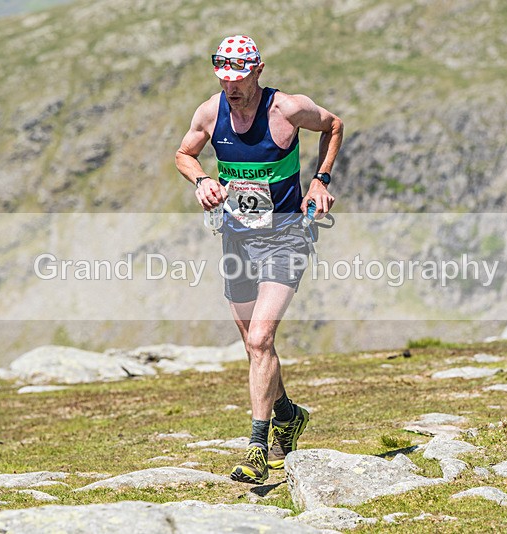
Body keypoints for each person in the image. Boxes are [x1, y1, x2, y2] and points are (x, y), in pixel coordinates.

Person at [175, 34, 343, 484]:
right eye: (224, 78)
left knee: (262, 338)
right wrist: (201, 181)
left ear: (258, 70)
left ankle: (257, 448)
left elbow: (334, 125)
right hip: (237, 239)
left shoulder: (288, 109)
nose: (231, 87)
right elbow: (183, 154)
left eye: (240, 77)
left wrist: (320, 180)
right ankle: (288, 413)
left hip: (286, 236)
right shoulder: (211, 112)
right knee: (253, 343)